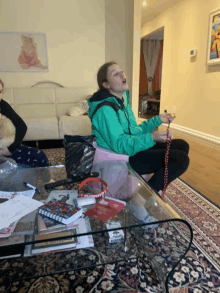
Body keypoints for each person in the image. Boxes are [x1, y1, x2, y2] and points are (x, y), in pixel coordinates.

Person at [87, 62, 190, 226]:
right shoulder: (105, 109)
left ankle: (145, 190)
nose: (122, 75)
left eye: (121, 71)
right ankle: (139, 200)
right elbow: (120, 144)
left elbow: (134, 131)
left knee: (182, 145)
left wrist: (157, 120)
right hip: (121, 156)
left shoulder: (121, 101)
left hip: (130, 147)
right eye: (115, 74)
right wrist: (152, 138)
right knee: (180, 159)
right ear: (105, 85)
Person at [0, 79, 49, 168]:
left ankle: (45, 182)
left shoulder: (2, 105)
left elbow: (21, 126)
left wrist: (10, 149)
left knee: (39, 156)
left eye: (0, 92)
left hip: (4, 148)